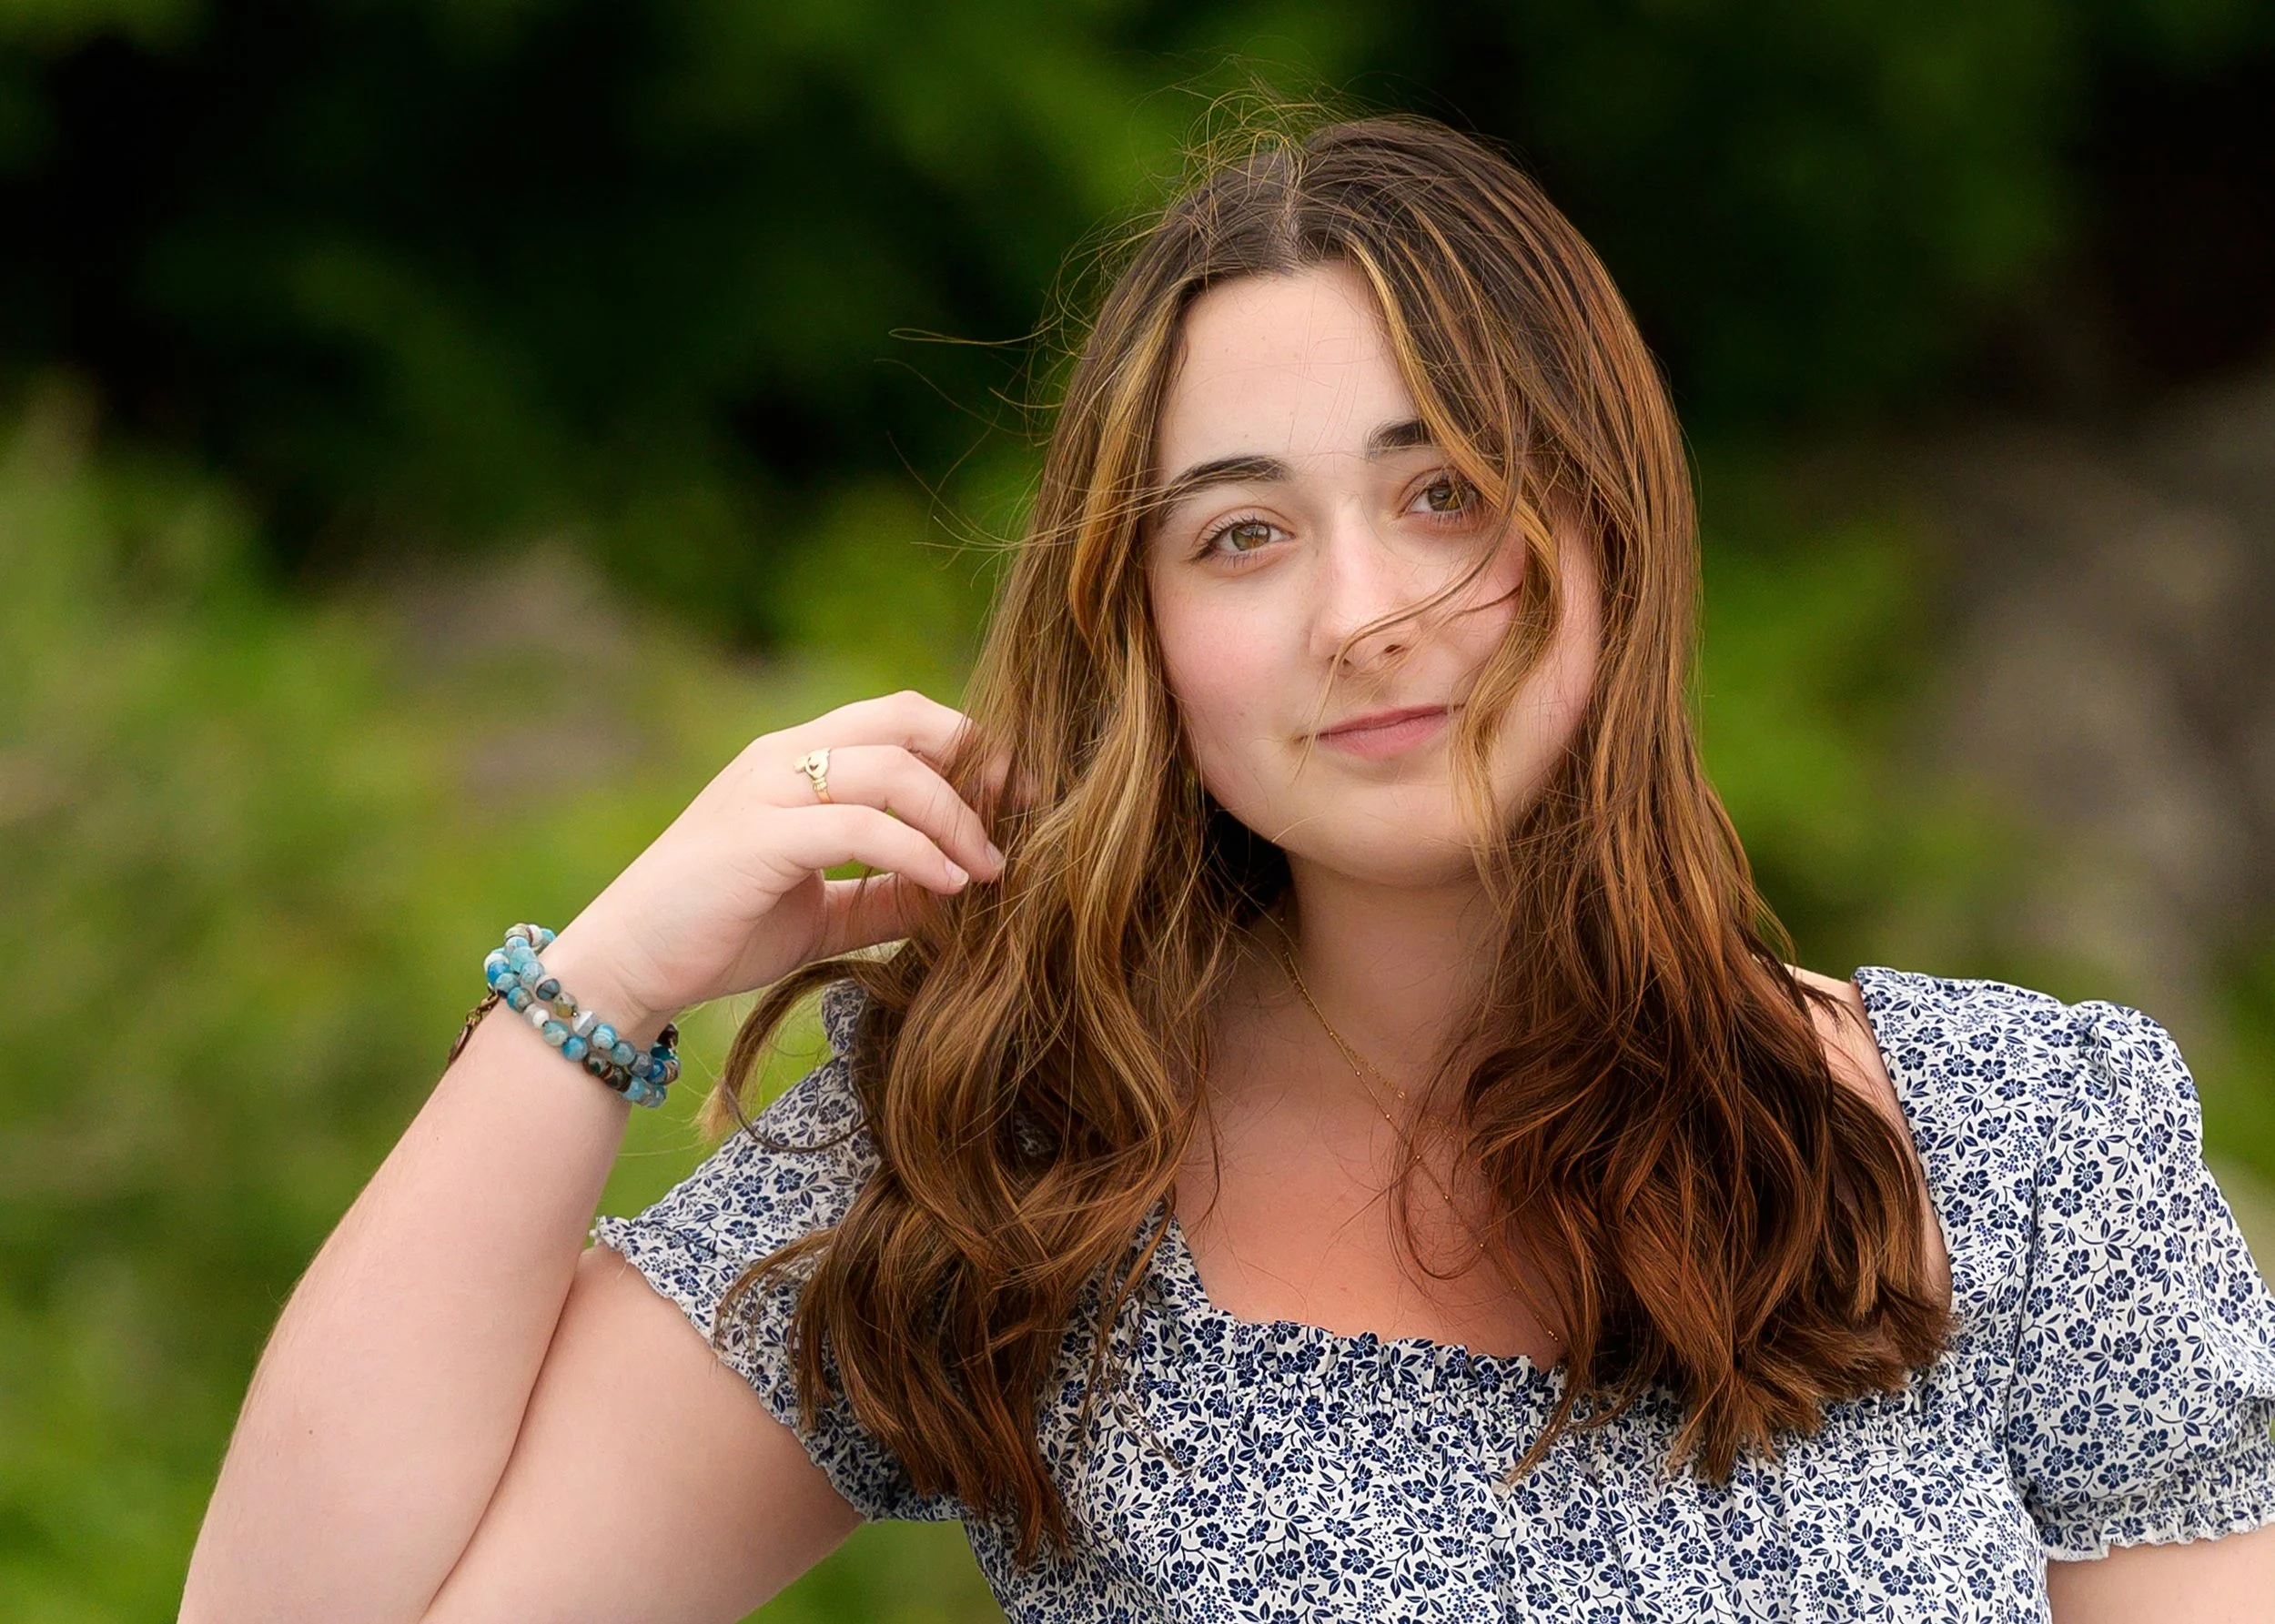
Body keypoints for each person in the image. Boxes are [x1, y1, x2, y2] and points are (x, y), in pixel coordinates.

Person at [180, 116, 2275, 1623]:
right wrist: (611, 976)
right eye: (1239, 535)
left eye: (1440, 489)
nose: (1359, 614)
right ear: (1145, 632)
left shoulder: (2022, 1145)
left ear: (1609, 524)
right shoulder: (1010, 1171)